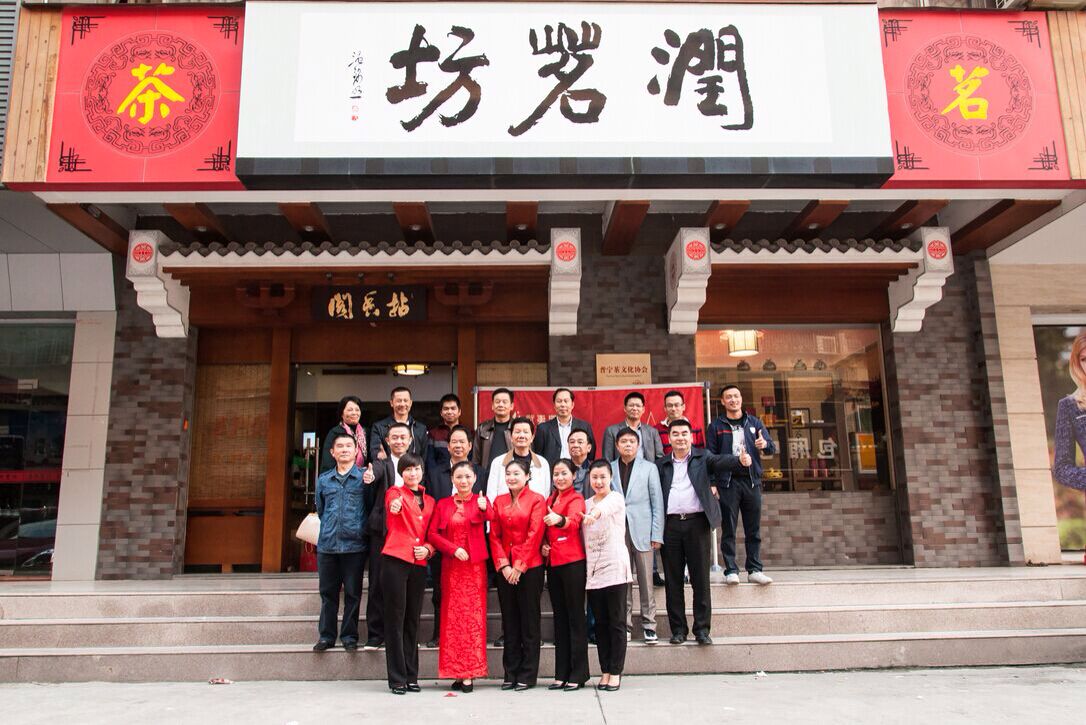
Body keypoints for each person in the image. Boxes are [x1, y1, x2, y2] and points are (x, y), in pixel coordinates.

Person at [658, 419, 749, 645]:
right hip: (670, 526)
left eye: (684, 433)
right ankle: (678, 630)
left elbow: (721, 461)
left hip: (697, 524)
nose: (680, 437)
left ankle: (702, 630)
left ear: (691, 437)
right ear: (669, 438)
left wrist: (739, 461)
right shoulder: (661, 464)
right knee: (673, 580)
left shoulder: (702, 458)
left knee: (700, 579)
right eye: (675, 434)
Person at [427, 461, 491, 693]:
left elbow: (492, 517)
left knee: (472, 619)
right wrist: (452, 549)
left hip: (474, 569)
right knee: (452, 619)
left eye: (467, 477)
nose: (463, 481)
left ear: (474, 478)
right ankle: (456, 671)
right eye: (459, 477)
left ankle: (469, 673)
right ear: (452, 479)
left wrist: (484, 507)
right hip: (452, 567)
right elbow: (432, 534)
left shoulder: (481, 501)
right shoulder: (443, 504)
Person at [707, 384, 777, 586]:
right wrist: (712, 482)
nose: (733, 400)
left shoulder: (754, 422)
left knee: (753, 528)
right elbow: (709, 457)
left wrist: (765, 445)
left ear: (741, 399)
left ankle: (754, 569)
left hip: (751, 481)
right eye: (728, 397)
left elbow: (771, 448)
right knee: (729, 528)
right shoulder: (716, 426)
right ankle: (731, 570)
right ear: (723, 401)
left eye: (736, 396)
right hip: (728, 482)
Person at [423, 425, 485, 647]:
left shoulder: (481, 472)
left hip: (471, 545)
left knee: (469, 597)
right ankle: (439, 634)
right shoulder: (434, 472)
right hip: (443, 542)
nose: (458, 446)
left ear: (470, 446)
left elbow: (486, 507)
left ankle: (467, 636)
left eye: (462, 442)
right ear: (448, 446)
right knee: (440, 591)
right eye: (454, 442)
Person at [489, 459, 547, 690]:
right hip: (505, 569)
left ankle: (528, 674)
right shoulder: (499, 501)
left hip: (530, 568)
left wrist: (519, 566)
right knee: (510, 620)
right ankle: (510, 672)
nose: (511, 478)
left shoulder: (537, 500)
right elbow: (494, 535)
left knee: (529, 620)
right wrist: (504, 565)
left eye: (516, 473)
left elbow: (535, 534)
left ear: (527, 476)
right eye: (508, 474)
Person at [380, 453, 435, 694]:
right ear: (401, 473)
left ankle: (412, 676)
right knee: (395, 619)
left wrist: (429, 549)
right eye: (408, 469)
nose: (413, 473)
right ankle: (397, 678)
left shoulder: (430, 501)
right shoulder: (395, 492)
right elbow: (393, 503)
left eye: (416, 469)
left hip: (419, 563)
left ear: (422, 471)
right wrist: (394, 506)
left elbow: (432, 534)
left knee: (413, 619)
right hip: (396, 559)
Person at [360, 422, 415, 650]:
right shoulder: (382, 463)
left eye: (403, 437)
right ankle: (375, 633)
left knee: (407, 584)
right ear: (388, 441)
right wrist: (370, 476)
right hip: (383, 531)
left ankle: (404, 634)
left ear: (410, 440)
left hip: (410, 532)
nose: (399, 441)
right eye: (395, 437)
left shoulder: (416, 465)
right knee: (377, 581)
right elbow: (375, 473)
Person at [313, 433, 367, 652]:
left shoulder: (364, 477)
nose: (344, 449)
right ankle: (326, 636)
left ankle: (349, 636)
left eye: (348, 446)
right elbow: (321, 509)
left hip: (355, 545)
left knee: (353, 594)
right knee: (328, 594)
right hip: (328, 545)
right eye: (340, 446)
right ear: (332, 452)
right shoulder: (324, 479)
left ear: (356, 451)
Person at [583, 460, 632, 692]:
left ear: (610, 477)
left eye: (603, 477)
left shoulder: (616, 498)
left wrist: (594, 514)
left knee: (616, 623)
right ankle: (605, 670)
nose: (599, 481)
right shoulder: (585, 504)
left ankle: (616, 672)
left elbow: (604, 509)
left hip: (615, 570)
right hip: (593, 573)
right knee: (600, 625)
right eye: (594, 477)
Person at [611, 427, 664, 644]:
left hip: (643, 531)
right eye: (623, 441)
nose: (628, 445)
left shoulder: (649, 468)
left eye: (632, 441)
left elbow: (657, 502)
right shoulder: (610, 468)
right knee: (623, 580)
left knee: (645, 580)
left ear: (638, 444)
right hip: (617, 532)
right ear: (617, 445)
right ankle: (625, 625)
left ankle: (649, 625)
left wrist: (657, 533)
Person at [541, 459, 589, 691]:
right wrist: (544, 544)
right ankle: (561, 673)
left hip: (572, 563)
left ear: (574, 475)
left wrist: (559, 520)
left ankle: (578, 673)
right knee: (559, 619)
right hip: (554, 563)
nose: (559, 478)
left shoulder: (576, 498)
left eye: (564, 473)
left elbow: (573, 522)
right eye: (556, 474)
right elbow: (544, 529)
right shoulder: (550, 499)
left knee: (575, 617)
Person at [486, 417, 551, 500]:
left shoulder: (543, 463)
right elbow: (491, 496)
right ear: (511, 437)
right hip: (505, 508)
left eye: (526, 432)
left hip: (535, 508)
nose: (521, 436)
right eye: (517, 432)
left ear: (532, 437)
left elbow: (546, 495)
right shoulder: (498, 462)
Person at [533, 388, 596, 467]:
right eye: (559, 401)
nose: (563, 405)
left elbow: (591, 453)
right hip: (552, 471)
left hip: (578, 471)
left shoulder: (584, 426)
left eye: (566, 401)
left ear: (572, 405)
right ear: (554, 405)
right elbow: (538, 455)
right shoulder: (543, 428)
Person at [369, 386, 429, 461]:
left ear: (410, 403)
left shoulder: (421, 428)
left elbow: (424, 456)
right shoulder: (379, 427)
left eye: (405, 400)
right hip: (388, 467)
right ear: (391, 403)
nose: (402, 404)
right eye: (399, 401)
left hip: (414, 468)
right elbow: (375, 453)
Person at [602, 392, 664, 462]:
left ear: (643, 409)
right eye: (631, 405)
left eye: (638, 406)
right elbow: (607, 460)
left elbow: (660, 458)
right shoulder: (612, 431)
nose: (634, 408)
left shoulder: (652, 432)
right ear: (625, 408)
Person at [319, 395, 368, 473]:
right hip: (339, 477)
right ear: (342, 414)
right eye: (350, 410)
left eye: (357, 410)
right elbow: (328, 461)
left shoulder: (365, 433)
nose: (354, 413)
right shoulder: (335, 433)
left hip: (362, 476)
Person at [472, 387, 515, 472]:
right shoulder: (482, 429)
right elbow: (475, 460)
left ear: (511, 406)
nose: (501, 405)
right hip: (487, 476)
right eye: (497, 402)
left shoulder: (518, 428)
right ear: (492, 406)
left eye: (504, 402)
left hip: (512, 475)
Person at [655, 389, 705, 455]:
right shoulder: (656, 430)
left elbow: (701, 453)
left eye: (677, 405)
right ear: (665, 408)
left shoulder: (695, 428)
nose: (673, 409)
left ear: (683, 407)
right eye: (670, 405)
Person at [567, 428, 594, 497]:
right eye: (572, 442)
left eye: (580, 442)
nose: (575, 445)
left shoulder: (594, 469)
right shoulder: (562, 468)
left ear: (589, 448)